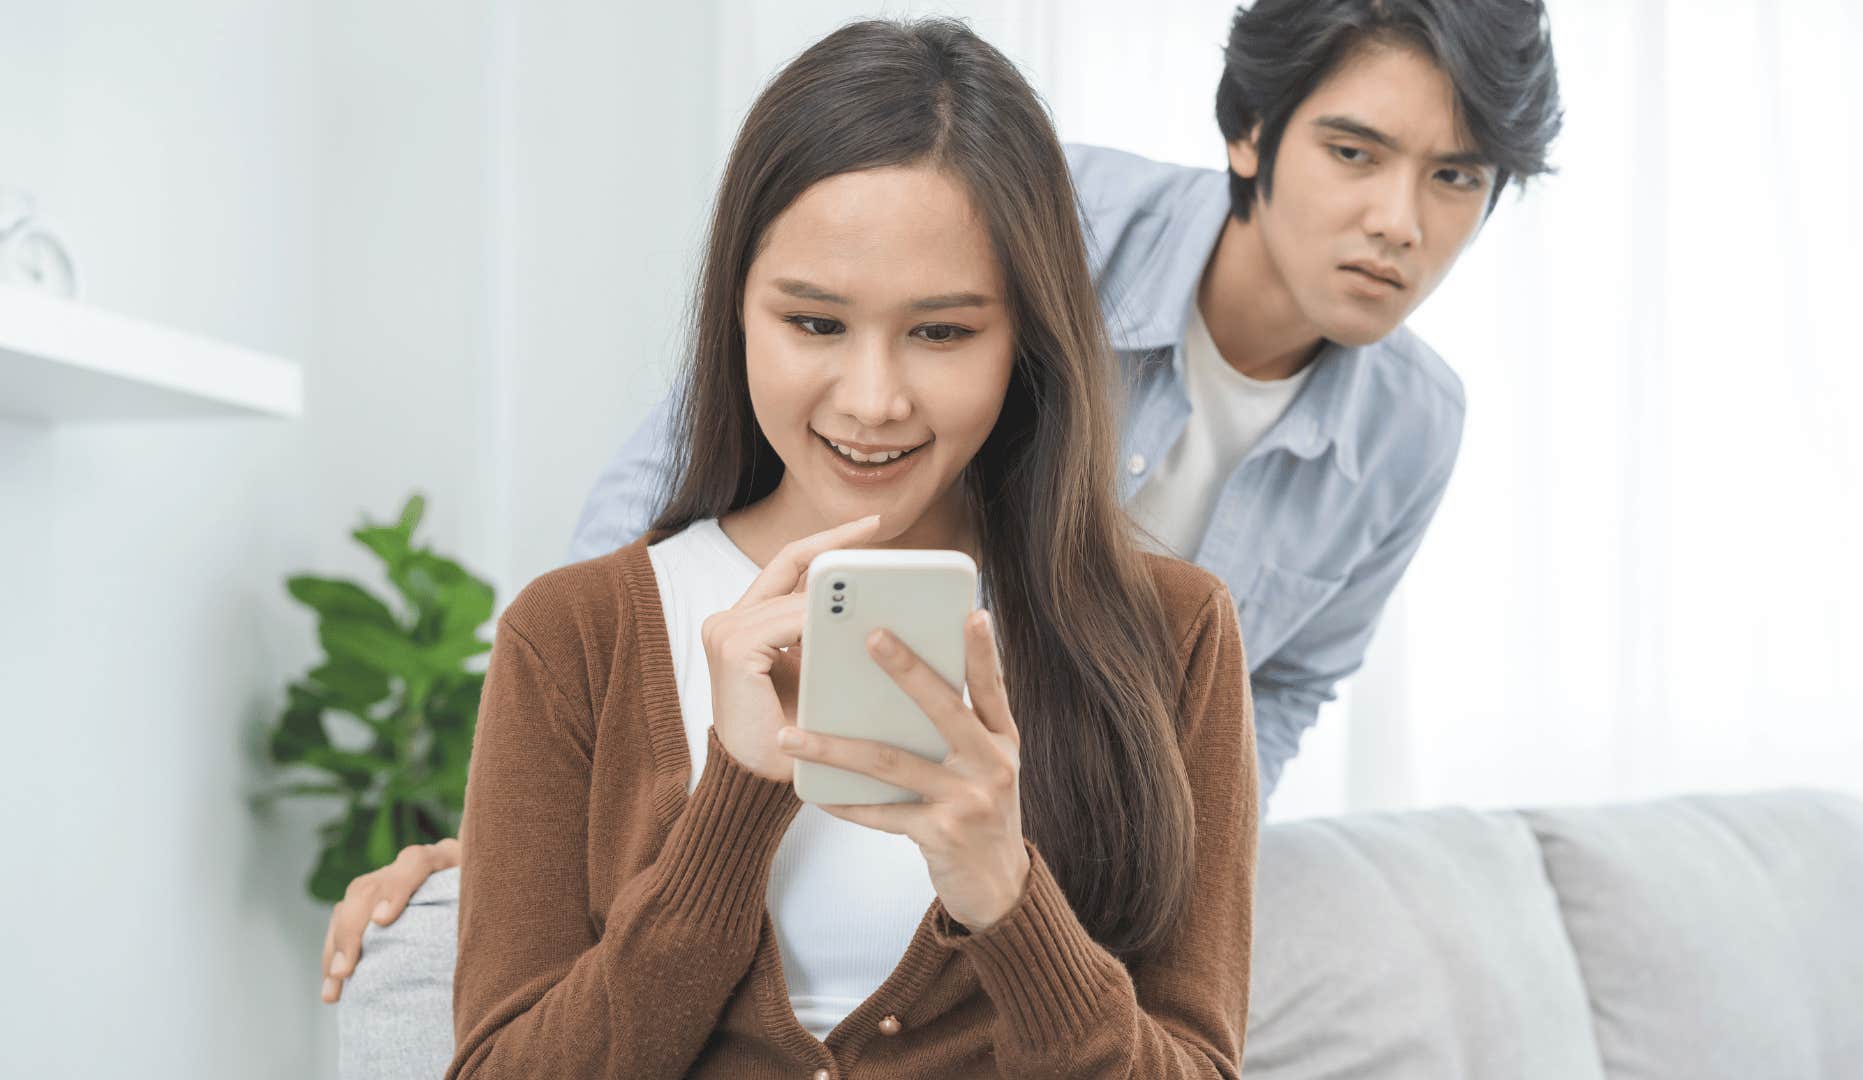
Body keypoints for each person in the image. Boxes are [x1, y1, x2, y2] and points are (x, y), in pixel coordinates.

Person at [321, 0, 1562, 1008]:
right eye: (1355, 152)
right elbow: (677, 493)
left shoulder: (1416, 429)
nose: (1397, 222)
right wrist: (558, 809)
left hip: (1084, 783)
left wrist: (1183, 847)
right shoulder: (1020, 208)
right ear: (1254, 136)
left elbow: (1277, 694)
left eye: (1456, 176)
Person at [436, 18, 1256, 1077]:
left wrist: (1006, 893)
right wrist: (734, 799)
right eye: (815, 325)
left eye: (943, 332)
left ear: (1028, 339)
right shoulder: (574, 634)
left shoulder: (1174, 634)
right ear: (737, 311)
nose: (873, 402)